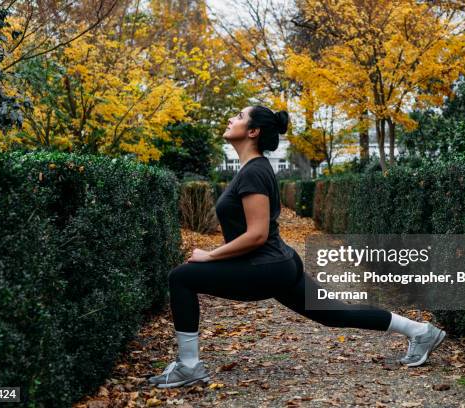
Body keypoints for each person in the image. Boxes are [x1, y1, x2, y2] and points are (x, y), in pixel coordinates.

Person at [148, 106, 446, 388]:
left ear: (252, 132)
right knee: (335, 314)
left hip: (267, 266)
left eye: (238, 116)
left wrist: (209, 255)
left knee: (181, 277)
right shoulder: (254, 168)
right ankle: (419, 331)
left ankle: (189, 366)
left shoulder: (253, 172)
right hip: (278, 263)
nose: (230, 119)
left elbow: (257, 235)